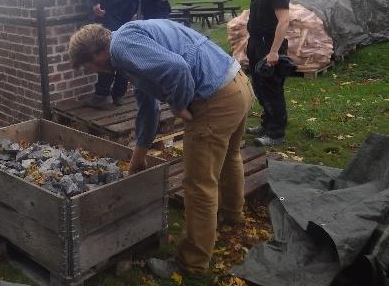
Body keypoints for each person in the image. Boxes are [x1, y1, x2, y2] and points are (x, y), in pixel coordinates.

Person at [68, 20, 253, 276]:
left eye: (89, 67)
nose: (95, 72)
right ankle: (232, 216)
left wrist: (178, 105)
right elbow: (148, 106)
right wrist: (139, 156)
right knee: (230, 157)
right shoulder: (130, 42)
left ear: (97, 53)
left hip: (216, 98)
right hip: (237, 84)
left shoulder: (121, 48)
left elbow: (177, 69)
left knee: (199, 185)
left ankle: (191, 264)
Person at [245, 0, 291, 147]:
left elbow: (284, 20)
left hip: (269, 46)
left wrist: (274, 52)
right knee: (259, 87)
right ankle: (267, 123)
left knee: (271, 89)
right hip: (256, 44)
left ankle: (276, 133)